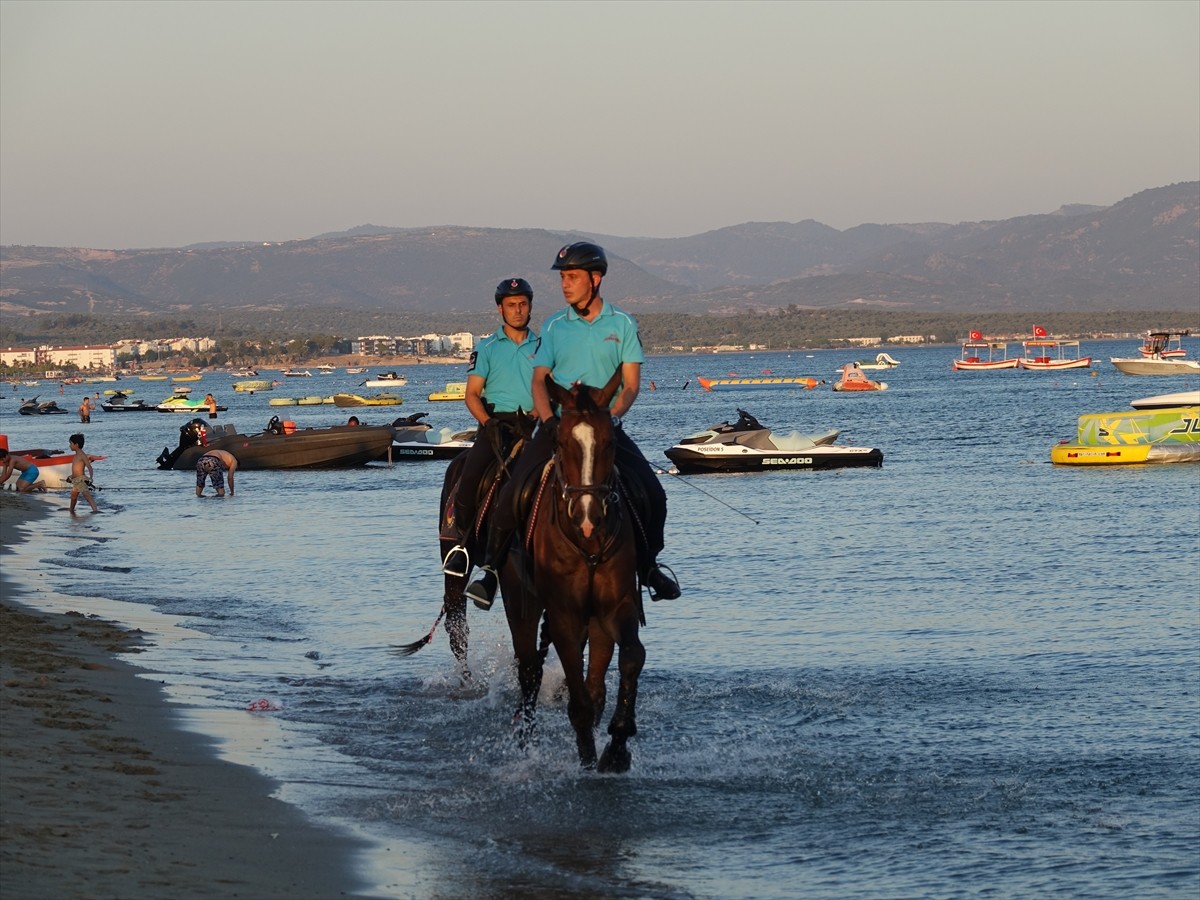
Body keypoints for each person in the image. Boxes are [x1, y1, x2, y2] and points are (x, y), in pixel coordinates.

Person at [465, 242, 680, 610]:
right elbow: (539, 380)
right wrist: (548, 421)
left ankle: (648, 567)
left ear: (595, 279)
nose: (564, 284)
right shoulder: (552, 326)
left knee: (654, 494)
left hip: (605, 429)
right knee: (512, 493)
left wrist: (612, 418)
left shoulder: (623, 323)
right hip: (559, 428)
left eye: (572, 277)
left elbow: (630, 385)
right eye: (563, 277)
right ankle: (489, 571)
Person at [441, 278, 539, 576]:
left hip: (534, 423)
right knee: (469, 478)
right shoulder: (486, 349)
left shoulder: (545, 346)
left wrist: (537, 415)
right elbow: (472, 395)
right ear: (500, 309)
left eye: (523, 304)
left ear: (530, 306)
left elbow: (553, 388)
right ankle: (464, 546)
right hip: (495, 424)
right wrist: (487, 423)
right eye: (511, 305)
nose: (518, 310)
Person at [68, 433, 99, 513]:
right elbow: (77, 470)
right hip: (76, 480)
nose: (69, 446)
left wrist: (91, 477)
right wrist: (71, 476)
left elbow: (89, 467)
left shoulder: (82, 455)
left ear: (76, 444)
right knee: (73, 497)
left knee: (87, 496)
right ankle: (71, 510)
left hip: (81, 480)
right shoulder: (76, 455)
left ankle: (95, 511)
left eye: (71, 443)